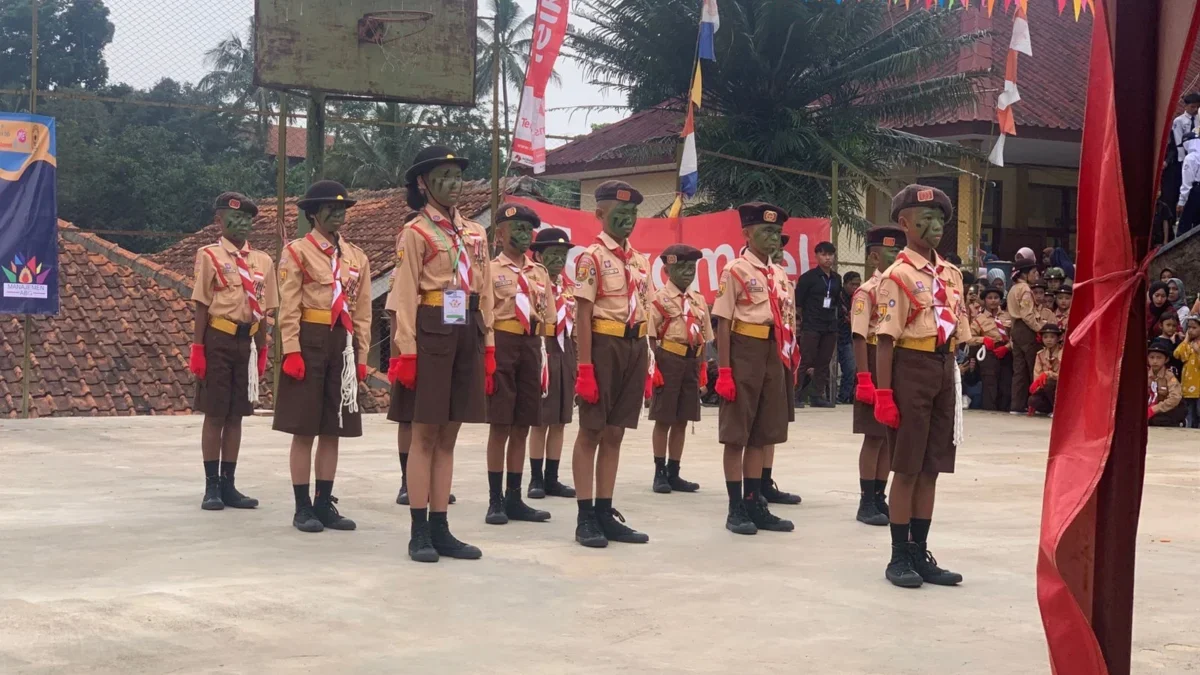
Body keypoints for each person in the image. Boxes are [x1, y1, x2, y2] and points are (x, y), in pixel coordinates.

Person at [388, 146, 492, 562]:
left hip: (466, 328)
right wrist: (406, 350)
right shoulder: (415, 233)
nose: (453, 183)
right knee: (425, 434)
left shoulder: (475, 233)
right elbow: (403, 295)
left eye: (457, 175)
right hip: (431, 327)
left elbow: (484, 294)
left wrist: (490, 349)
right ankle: (418, 531)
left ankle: (441, 526)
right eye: (443, 176)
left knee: (450, 434)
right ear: (423, 184)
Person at [871, 184, 969, 589]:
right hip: (909, 367)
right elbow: (885, 338)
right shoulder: (897, 276)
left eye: (940, 219)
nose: (934, 225)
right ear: (904, 223)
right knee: (908, 467)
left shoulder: (951, 274)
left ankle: (921, 549)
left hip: (943, 366)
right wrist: (883, 393)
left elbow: (958, 327)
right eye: (924, 218)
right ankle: (898, 556)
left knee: (932, 467)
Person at [274, 180, 371, 534]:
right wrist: (292, 351)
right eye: (330, 207)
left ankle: (323, 502)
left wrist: (361, 354)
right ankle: (302, 507)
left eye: (342, 208)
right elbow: (288, 306)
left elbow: (362, 310)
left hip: (342, 342)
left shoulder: (357, 256)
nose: (337, 213)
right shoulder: (298, 251)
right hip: (310, 338)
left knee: (334, 428)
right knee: (304, 428)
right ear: (313, 213)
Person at [571, 180, 653, 548]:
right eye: (619, 214)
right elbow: (583, 316)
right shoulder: (591, 258)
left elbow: (647, 309)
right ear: (600, 215)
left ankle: (605, 510)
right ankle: (585, 514)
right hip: (603, 345)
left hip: (634, 345)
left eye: (632, 214)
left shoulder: (640, 260)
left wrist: (650, 361)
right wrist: (585, 367)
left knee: (616, 431)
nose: (627, 221)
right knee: (591, 430)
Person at [712, 202, 797, 536]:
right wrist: (725, 370)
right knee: (737, 434)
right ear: (747, 233)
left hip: (772, 351)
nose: (773, 237)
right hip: (744, 350)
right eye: (765, 230)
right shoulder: (735, 270)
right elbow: (723, 321)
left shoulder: (778, 274)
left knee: (763, 432)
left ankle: (754, 500)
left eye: (776, 232)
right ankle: (735, 507)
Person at [189, 192, 277, 511]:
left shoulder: (263, 262)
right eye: (234, 218)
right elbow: (201, 304)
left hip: (247, 340)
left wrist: (263, 349)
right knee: (215, 413)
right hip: (218, 338)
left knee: (237, 414)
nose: (241, 224)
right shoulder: (209, 256)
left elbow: (265, 308)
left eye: (246, 220)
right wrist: (197, 347)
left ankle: (229, 484)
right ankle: (211, 485)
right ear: (219, 221)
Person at [483, 203, 554, 525]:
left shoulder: (539, 273)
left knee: (523, 423)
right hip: (502, 342)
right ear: (500, 233)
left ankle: (515, 497)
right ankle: (495, 499)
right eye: (518, 229)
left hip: (530, 344)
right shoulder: (489, 269)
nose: (525, 235)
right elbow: (483, 315)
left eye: (529, 229)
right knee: (500, 424)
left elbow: (549, 315)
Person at [390, 212, 456, 509]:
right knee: (409, 421)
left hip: (438, 342)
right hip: (411, 346)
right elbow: (396, 314)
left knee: (438, 423)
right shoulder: (398, 273)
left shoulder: (449, 274)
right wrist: (399, 356)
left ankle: (433, 483)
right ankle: (408, 481)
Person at [850, 224, 905, 527]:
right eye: (891, 251)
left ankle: (879, 495)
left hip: (894, 359)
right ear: (874, 257)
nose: (897, 256)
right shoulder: (867, 291)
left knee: (886, 436)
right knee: (873, 437)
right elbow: (859, 336)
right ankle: (865, 499)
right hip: (872, 358)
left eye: (899, 251)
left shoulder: (900, 286)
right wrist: (863, 378)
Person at [647, 244, 713, 494]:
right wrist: (653, 367)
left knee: (683, 419)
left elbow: (704, 336)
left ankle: (675, 472)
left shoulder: (698, 300)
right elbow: (650, 337)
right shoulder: (658, 299)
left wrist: (703, 367)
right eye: (681, 267)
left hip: (691, 361)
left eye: (692, 267)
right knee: (664, 418)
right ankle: (659, 472)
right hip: (668, 359)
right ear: (666, 269)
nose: (688, 272)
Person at [527, 227, 578, 500]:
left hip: (565, 349)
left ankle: (552, 478)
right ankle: (535, 479)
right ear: (538, 254)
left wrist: (578, 362)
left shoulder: (570, 287)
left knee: (560, 418)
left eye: (562, 255)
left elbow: (577, 325)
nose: (559, 260)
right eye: (553, 254)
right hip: (542, 346)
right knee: (541, 419)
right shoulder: (530, 280)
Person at [761, 236, 803, 506]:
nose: (777, 251)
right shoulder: (745, 273)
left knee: (773, 421)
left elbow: (791, 319)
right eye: (773, 245)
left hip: (782, 352)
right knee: (755, 424)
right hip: (758, 350)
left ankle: (765, 480)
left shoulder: (785, 280)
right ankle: (750, 485)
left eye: (780, 248)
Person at [794, 240, 841, 408]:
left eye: (830, 255)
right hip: (811, 325)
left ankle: (817, 395)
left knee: (823, 361)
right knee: (806, 360)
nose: (827, 258)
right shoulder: (808, 278)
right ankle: (795, 394)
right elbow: (798, 303)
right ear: (816, 256)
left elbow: (835, 301)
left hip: (830, 325)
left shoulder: (837, 279)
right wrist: (804, 320)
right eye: (823, 254)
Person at [1007, 251, 1043, 414]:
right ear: (1025, 273)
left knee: (1018, 370)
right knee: (1032, 367)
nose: (1036, 275)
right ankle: (1035, 404)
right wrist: (1040, 328)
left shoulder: (1013, 289)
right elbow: (1027, 315)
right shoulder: (1026, 290)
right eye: (1033, 272)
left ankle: (1016, 405)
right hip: (1026, 329)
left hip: (1015, 329)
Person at [968, 287, 1013, 411]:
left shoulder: (1008, 316)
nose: (993, 301)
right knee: (990, 384)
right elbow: (968, 338)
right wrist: (983, 340)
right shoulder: (979, 319)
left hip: (1006, 351)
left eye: (996, 297)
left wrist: (1007, 347)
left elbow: (1015, 336)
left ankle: (1004, 411)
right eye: (990, 298)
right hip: (989, 353)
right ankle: (989, 411)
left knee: (1006, 384)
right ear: (984, 300)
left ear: (1000, 299)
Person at [1148, 338, 1186, 427]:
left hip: (1165, 410)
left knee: (1158, 420)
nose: (1155, 361)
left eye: (1159, 358)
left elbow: (1175, 398)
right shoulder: (1144, 376)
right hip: (1149, 409)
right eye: (1152, 357)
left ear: (1166, 360)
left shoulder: (1170, 376)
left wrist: (1154, 409)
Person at [836, 271, 862, 404]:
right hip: (842, 336)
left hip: (856, 336)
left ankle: (850, 396)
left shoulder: (860, 296)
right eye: (852, 284)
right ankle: (842, 396)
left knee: (856, 368)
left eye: (858, 284)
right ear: (845, 284)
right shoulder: (839, 296)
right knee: (850, 367)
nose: (855, 287)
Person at [1027, 324, 1063, 415]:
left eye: (1052, 337)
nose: (1048, 340)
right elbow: (1037, 376)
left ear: (1058, 338)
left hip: (1060, 388)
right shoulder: (1040, 354)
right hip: (1046, 389)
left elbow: (1064, 376)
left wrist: (1049, 374)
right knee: (1032, 400)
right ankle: (1050, 409)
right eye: (1045, 337)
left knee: (1050, 382)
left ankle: (1059, 410)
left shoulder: (1063, 352)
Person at [1172, 315, 1200, 428]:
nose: (1191, 330)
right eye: (1189, 328)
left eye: (1194, 327)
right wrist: (1186, 339)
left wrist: (1198, 352)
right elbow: (1177, 354)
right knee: (1189, 413)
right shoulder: (1188, 344)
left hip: (1199, 386)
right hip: (1188, 385)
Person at [1178, 132, 1200, 236]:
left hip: (1196, 192)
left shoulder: (1190, 158)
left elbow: (1187, 183)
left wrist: (1182, 201)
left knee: (1184, 224)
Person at [1157, 314, 1185, 381]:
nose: (1171, 328)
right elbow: (1168, 356)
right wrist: (1172, 343)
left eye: (1174, 326)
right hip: (1163, 376)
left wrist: (1176, 342)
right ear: (1161, 326)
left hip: (1177, 376)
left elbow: (1181, 356)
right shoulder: (1157, 341)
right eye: (1168, 325)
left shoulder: (1178, 340)